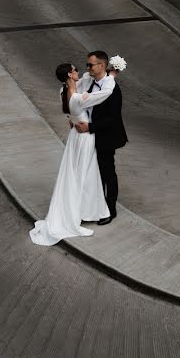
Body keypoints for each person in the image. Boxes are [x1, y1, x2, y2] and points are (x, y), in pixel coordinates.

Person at [29, 63, 116, 246]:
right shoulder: (78, 98)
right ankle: (81, 212)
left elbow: (84, 79)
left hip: (74, 137)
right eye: (75, 69)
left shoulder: (63, 93)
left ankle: (81, 210)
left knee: (75, 174)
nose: (80, 72)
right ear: (70, 73)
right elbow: (105, 93)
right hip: (85, 138)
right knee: (86, 174)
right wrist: (111, 76)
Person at [73, 50, 128, 225]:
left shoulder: (113, 89)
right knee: (92, 173)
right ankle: (92, 206)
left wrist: (90, 127)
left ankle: (110, 209)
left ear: (102, 65)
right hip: (88, 138)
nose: (87, 68)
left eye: (90, 65)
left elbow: (112, 118)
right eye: (87, 64)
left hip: (105, 136)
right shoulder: (89, 82)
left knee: (107, 172)